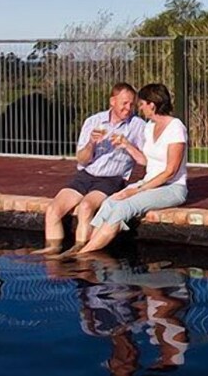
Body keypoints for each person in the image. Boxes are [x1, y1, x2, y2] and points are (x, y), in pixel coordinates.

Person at [35, 82, 145, 255]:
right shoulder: (93, 121)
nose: (128, 108)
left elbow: (145, 160)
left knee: (86, 207)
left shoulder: (137, 125)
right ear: (112, 101)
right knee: (53, 210)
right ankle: (52, 251)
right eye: (124, 103)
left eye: (131, 104)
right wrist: (91, 143)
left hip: (112, 179)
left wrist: (127, 145)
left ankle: (80, 251)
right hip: (86, 175)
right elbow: (81, 159)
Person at [77, 83, 188, 254]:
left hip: (171, 188)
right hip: (149, 183)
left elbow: (170, 171)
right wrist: (126, 145)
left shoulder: (175, 127)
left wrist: (137, 190)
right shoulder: (150, 127)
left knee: (124, 207)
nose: (139, 108)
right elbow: (146, 160)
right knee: (110, 202)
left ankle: (82, 256)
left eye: (142, 104)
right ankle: (87, 246)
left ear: (152, 105)